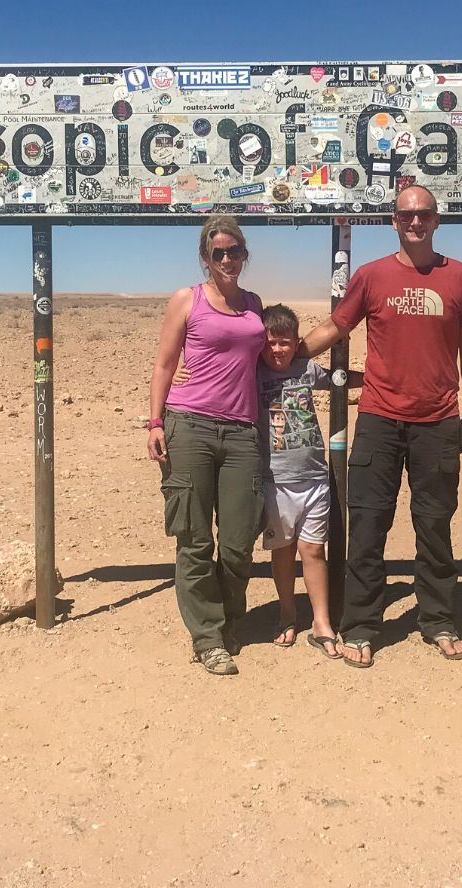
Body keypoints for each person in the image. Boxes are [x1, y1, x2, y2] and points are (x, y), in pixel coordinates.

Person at [299, 184, 462, 668]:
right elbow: (336, 327)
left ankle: (439, 619)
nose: (416, 222)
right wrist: (285, 356)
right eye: (407, 215)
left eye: (424, 214)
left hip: (438, 420)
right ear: (394, 221)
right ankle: (361, 626)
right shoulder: (371, 276)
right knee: (368, 525)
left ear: (437, 220)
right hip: (380, 417)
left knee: (434, 525)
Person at [148, 215, 265, 677]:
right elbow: (163, 364)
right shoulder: (187, 299)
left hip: (242, 433)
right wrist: (156, 422)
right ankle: (208, 636)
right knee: (195, 540)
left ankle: (230, 617)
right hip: (189, 426)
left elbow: (271, 354)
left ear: (244, 253)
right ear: (205, 258)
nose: (227, 259)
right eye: (217, 252)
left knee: (238, 542)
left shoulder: (254, 304)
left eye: (234, 250)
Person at [256, 304, 362, 658]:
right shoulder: (253, 373)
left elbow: (341, 379)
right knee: (283, 551)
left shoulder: (307, 369)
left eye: (285, 343)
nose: (278, 350)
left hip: (316, 477)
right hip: (276, 481)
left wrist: (382, 376)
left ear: (297, 342)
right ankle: (287, 613)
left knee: (314, 550)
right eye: (271, 343)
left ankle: (321, 622)